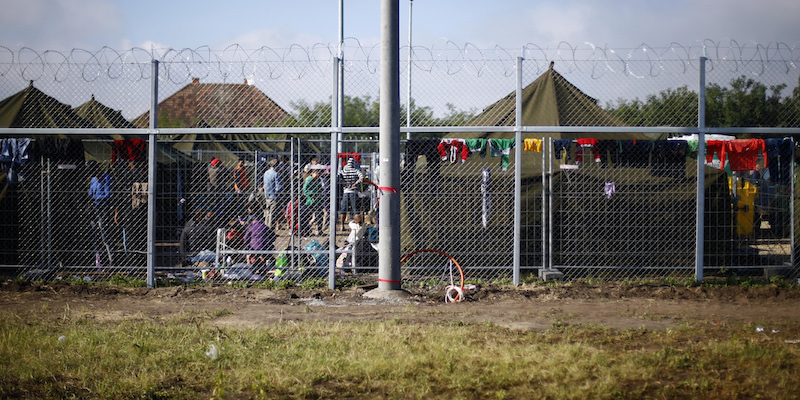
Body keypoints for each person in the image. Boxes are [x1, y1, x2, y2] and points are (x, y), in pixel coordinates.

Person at [88, 160, 114, 265]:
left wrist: (95, 198)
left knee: (105, 235)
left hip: (103, 209)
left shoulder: (106, 178)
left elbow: (108, 195)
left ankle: (112, 259)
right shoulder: (93, 180)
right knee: (94, 235)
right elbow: (90, 193)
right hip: (94, 209)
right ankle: (97, 260)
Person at [338, 157, 364, 231]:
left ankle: (342, 225)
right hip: (354, 192)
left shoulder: (344, 170)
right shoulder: (355, 170)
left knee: (343, 210)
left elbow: (339, 176)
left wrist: (345, 183)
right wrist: (355, 184)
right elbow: (361, 178)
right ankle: (357, 225)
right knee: (355, 210)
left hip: (346, 192)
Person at [262, 158, 282, 230]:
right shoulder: (276, 174)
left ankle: (266, 228)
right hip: (274, 196)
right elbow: (278, 187)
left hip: (266, 195)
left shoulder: (266, 173)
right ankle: (270, 231)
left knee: (267, 213)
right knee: (272, 214)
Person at [302, 169, 323, 235]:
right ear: (312, 173)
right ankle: (307, 231)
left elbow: (319, 188)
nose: (318, 175)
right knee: (308, 216)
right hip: (310, 201)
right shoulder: (309, 179)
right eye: (316, 173)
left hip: (318, 200)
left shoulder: (318, 180)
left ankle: (319, 230)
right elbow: (305, 190)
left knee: (320, 215)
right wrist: (313, 193)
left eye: (319, 174)